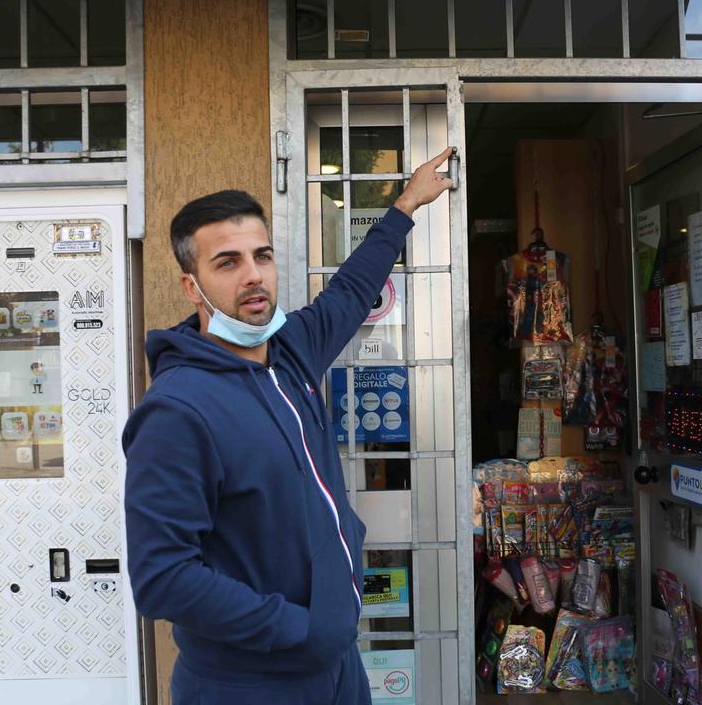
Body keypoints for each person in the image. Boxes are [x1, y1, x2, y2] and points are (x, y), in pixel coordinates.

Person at [123, 147, 456, 704]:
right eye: (227, 262)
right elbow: (162, 577)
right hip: (250, 683)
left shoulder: (290, 352)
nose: (253, 276)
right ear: (191, 286)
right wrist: (298, 631)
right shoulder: (178, 411)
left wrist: (404, 205)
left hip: (334, 669)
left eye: (263, 255)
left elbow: (351, 291)